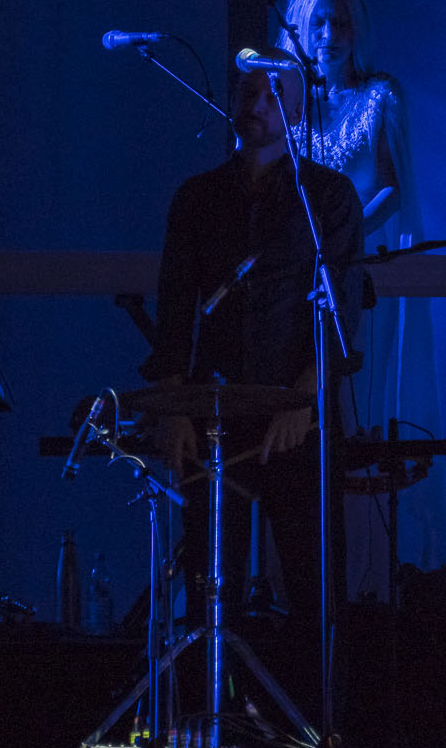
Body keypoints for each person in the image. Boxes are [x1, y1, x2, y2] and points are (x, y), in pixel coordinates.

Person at [141, 63, 363, 697]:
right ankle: (212, 726)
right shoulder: (198, 196)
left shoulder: (327, 197)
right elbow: (175, 307)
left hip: (299, 412)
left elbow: (339, 308)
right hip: (214, 415)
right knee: (213, 583)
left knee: (314, 583)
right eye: (249, 92)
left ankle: (321, 732)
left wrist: (304, 398)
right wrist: (174, 409)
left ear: (298, 109)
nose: (258, 102)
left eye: (274, 94)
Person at [281, 0, 446, 598]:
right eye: (318, 21)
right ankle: (304, 571)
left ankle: (374, 575)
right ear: (300, 27)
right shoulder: (288, 99)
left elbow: (389, 186)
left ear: (358, 28)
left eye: (340, 21)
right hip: (298, 277)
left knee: (365, 410)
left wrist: (343, 235)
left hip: (361, 274)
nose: (328, 33)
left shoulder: (380, 95)